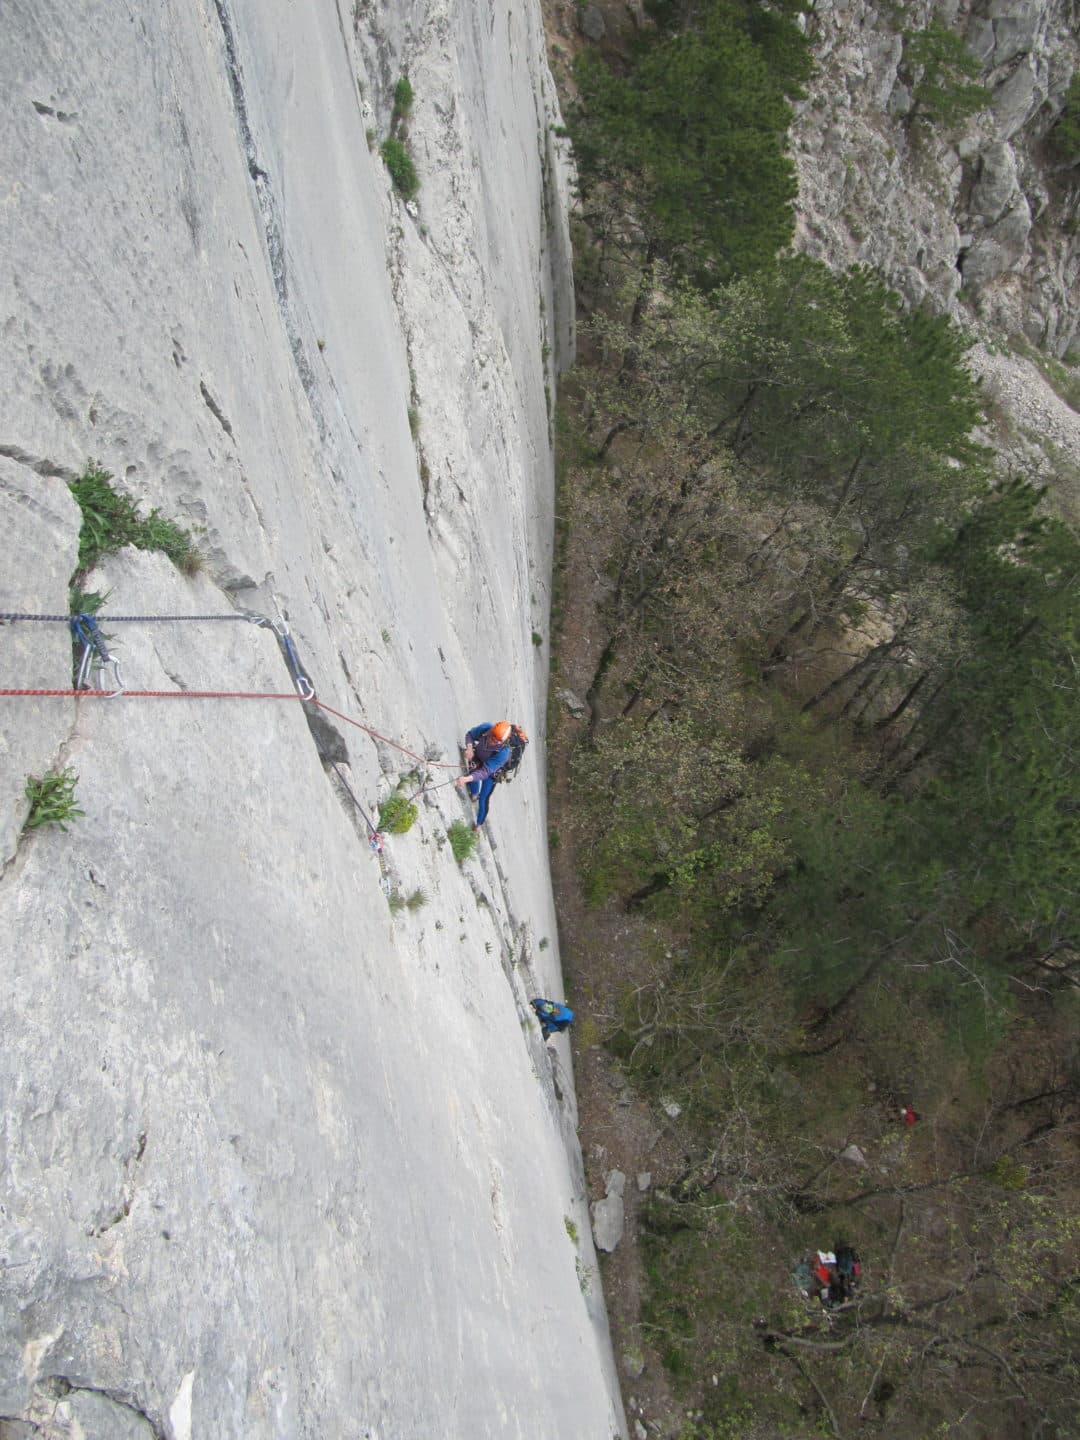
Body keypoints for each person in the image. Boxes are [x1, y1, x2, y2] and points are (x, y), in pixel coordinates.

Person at [455, 721, 513, 829]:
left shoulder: (503, 753)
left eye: (496, 740)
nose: (491, 740)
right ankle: (474, 794)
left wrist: (466, 779)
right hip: (478, 759)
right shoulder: (486, 728)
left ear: (503, 742)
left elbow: (485, 772)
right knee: (473, 775)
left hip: (491, 773)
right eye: (491, 736)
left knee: (483, 799)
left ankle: (479, 824)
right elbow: (470, 735)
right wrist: (469, 748)